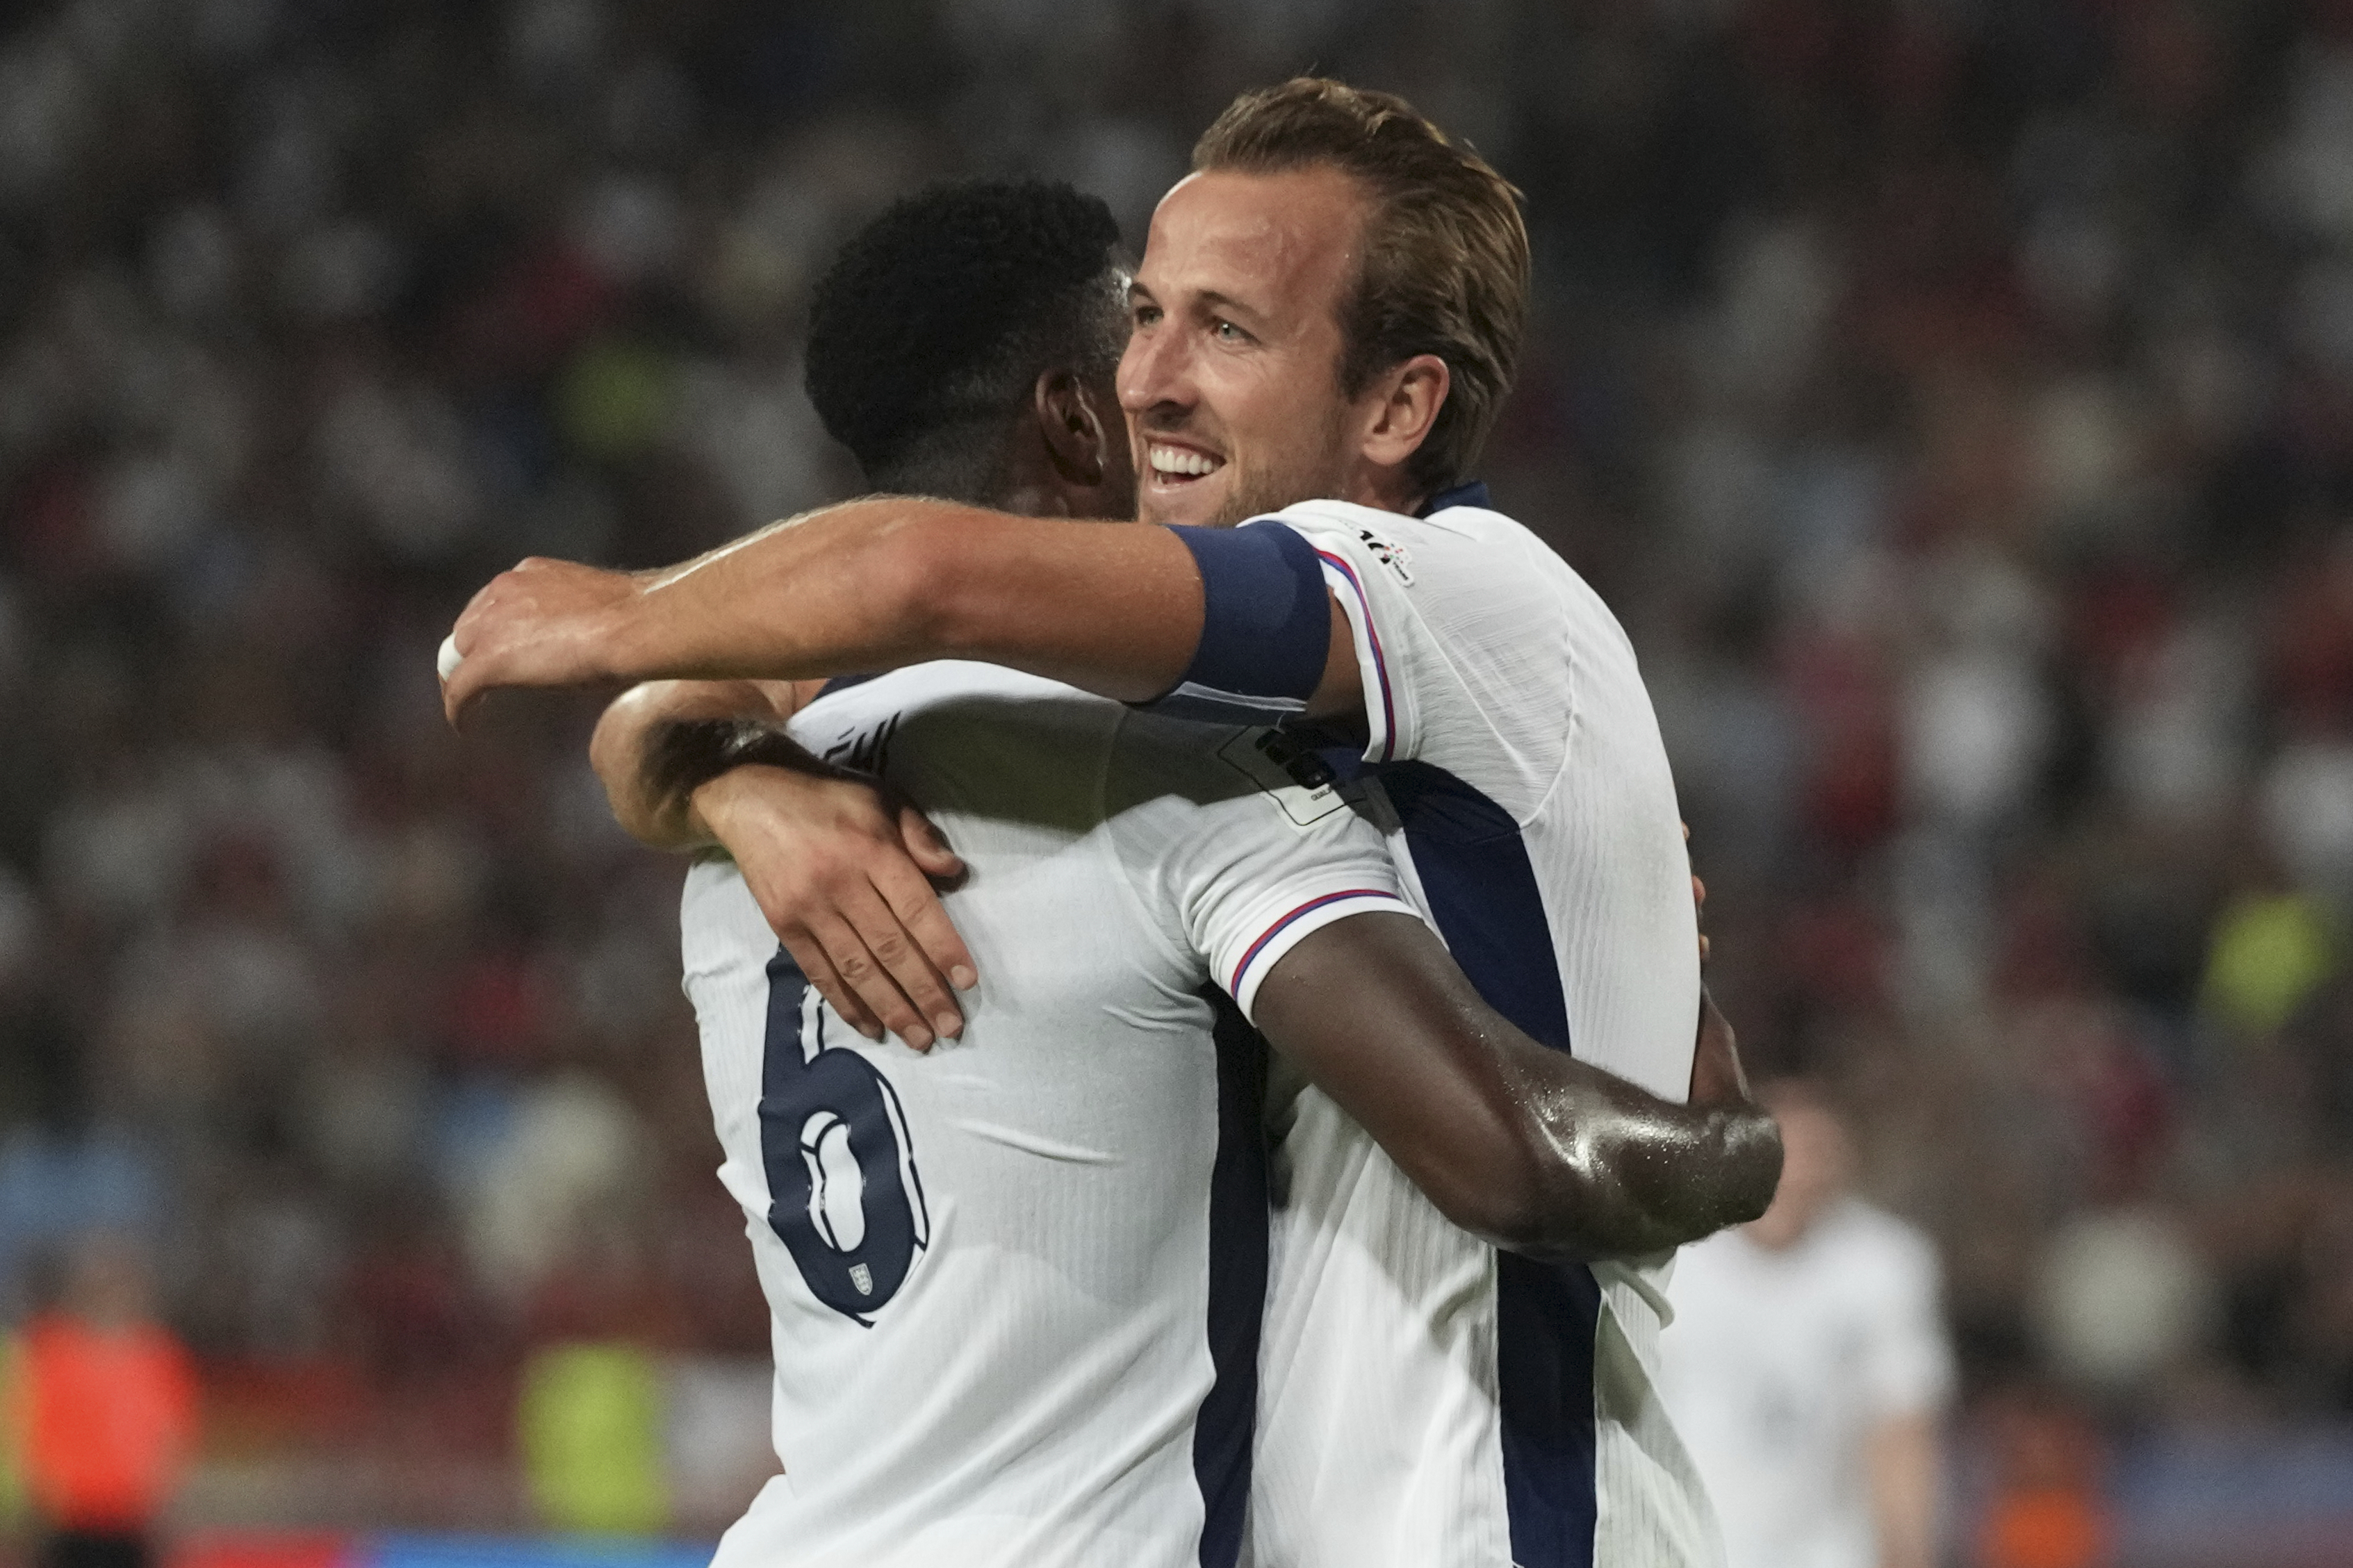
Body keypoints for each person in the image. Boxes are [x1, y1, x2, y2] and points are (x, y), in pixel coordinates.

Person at [445, 85, 1761, 1567]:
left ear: (1399, 406)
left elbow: (897, 592)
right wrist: (1731, 1145)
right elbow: (1515, 1154)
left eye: (1225, 329)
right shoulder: (1175, 776)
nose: (1150, 380)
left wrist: (681, 725)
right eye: (1143, 318)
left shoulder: (1451, 592)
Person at [1658, 1083, 1954, 1568]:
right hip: (1678, 1547)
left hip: (1826, 1551)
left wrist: (1907, 1551)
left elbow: (1899, 1430)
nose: (1795, 1173)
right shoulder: (1668, 1254)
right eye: (1781, 1151)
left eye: (1815, 1152)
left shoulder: (1882, 1264)